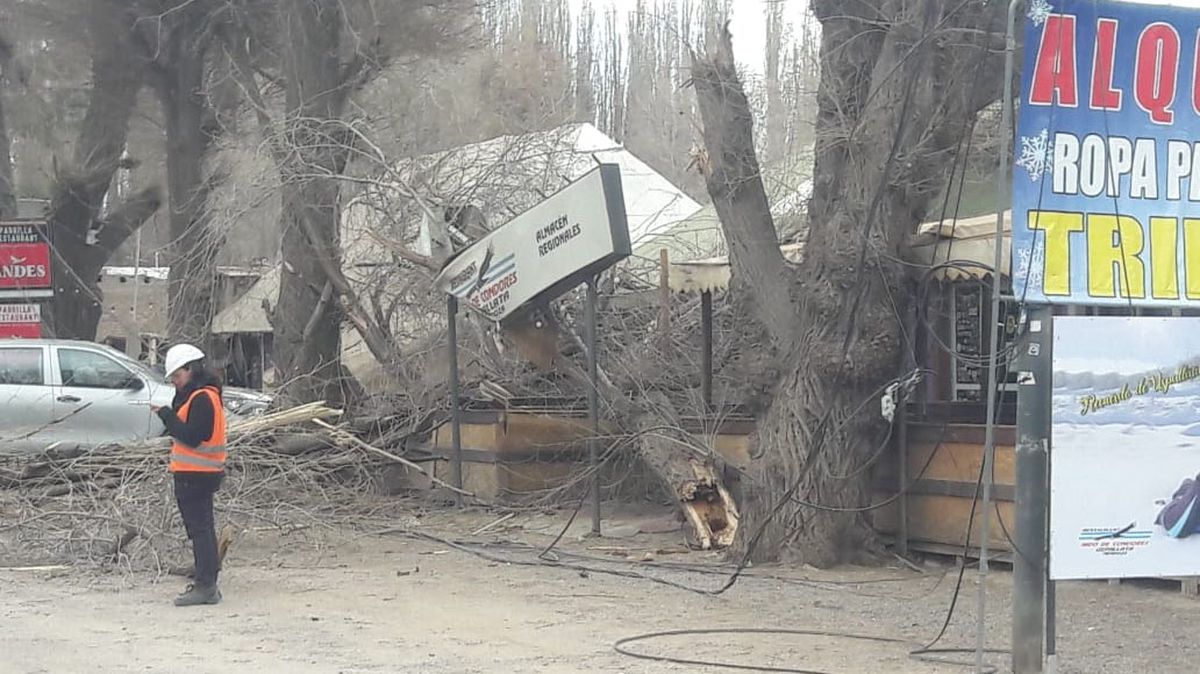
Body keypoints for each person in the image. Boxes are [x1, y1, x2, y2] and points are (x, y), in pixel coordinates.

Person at [151, 344, 228, 607]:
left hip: (196, 474)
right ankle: (207, 582)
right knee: (203, 529)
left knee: (200, 531)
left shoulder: (202, 398)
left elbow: (193, 436)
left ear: (191, 369)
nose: (175, 381)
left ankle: (206, 585)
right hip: (201, 473)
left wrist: (166, 416)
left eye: (177, 375)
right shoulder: (202, 395)